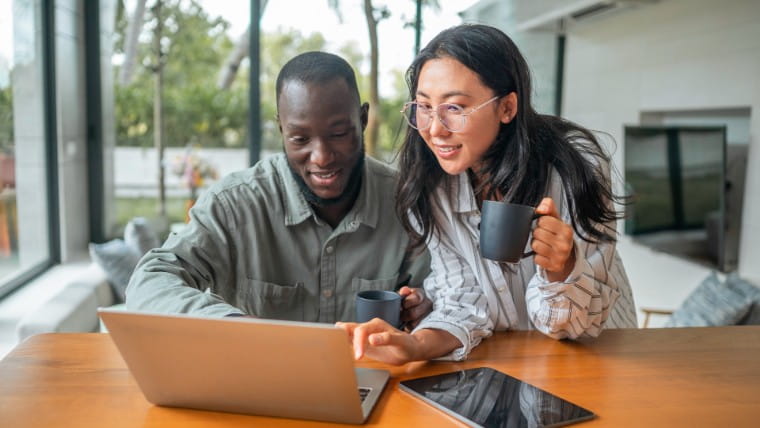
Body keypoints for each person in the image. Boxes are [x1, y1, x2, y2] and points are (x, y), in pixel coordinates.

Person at [337, 24, 637, 364]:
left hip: (604, 359)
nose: (435, 129)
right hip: (511, 362)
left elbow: (573, 327)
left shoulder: (575, 169)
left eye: (454, 108)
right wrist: (414, 345)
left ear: (507, 108)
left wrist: (562, 269)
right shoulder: (435, 183)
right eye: (424, 107)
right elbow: (464, 298)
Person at [126, 52, 430, 325]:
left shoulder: (405, 200)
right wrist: (232, 322)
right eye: (300, 139)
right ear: (281, 129)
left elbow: (448, 295)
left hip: (373, 382)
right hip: (257, 384)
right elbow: (150, 279)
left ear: (362, 120)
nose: (321, 157)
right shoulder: (234, 205)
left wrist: (427, 306)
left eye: (338, 134)